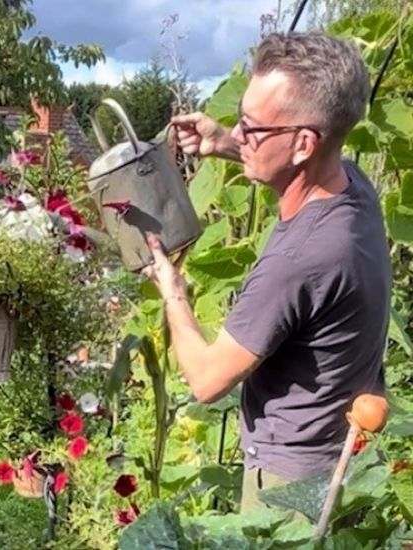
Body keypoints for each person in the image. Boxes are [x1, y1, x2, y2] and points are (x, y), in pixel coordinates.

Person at [142, 31, 391, 511]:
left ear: (302, 143)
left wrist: (173, 292)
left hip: (289, 484)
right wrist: (225, 145)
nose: (238, 134)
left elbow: (206, 381)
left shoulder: (299, 259)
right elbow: (303, 166)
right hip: (338, 452)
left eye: (250, 129)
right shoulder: (354, 189)